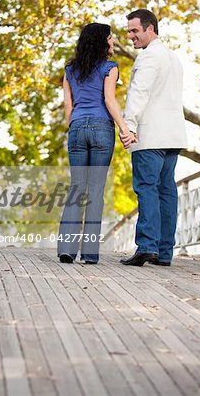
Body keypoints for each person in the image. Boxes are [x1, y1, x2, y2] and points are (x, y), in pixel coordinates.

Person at [58, 22, 136, 264]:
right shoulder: (110, 68)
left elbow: (68, 107)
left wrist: (75, 125)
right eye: (111, 38)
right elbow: (110, 101)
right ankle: (90, 254)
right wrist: (125, 130)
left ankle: (67, 250)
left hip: (78, 128)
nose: (113, 42)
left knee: (77, 188)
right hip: (102, 129)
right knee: (96, 191)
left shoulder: (70, 70)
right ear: (102, 41)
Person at [119, 9, 187, 266]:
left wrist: (128, 126)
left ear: (150, 29)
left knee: (147, 188)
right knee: (167, 191)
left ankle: (147, 246)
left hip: (151, 135)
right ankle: (164, 252)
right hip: (173, 135)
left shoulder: (148, 57)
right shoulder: (173, 58)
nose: (131, 36)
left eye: (135, 31)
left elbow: (139, 92)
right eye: (129, 31)